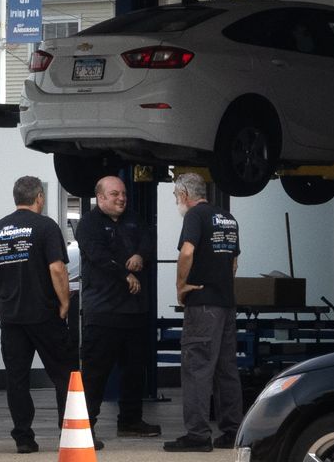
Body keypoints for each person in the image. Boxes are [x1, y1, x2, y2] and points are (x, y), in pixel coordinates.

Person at [0, 175, 75, 454]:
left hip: (11, 319)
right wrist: (64, 303)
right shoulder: (45, 226)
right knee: (64, 375)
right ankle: (68, 435)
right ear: (39, 198)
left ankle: (24, 438)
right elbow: (57, 268)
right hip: (44, 314)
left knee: (16, 379)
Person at [76, 175, 163, 439]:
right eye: (114, 194)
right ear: (100, 197)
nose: (121, 198)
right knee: (95, 374)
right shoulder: (88, 225)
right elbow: (99, 257)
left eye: (123, 194)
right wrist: (125, 274)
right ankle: (85, 426)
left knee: (135, 371)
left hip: (134, 312)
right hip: (103, 312)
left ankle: (130, 421)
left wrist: (140, 255)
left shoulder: (134, 219)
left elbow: (148, 241)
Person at [164, 172, 241, 453]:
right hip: (226, 303)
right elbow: (233, 261)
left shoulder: (194, 217)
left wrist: (181, 286)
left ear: (185, 194)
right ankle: (232, 431)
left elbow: (186, 253)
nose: (176, 202)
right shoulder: (227, 218)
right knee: (226, 369)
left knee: (197, 368)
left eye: (175, 196)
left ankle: (197, 434)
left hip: (203, 304)